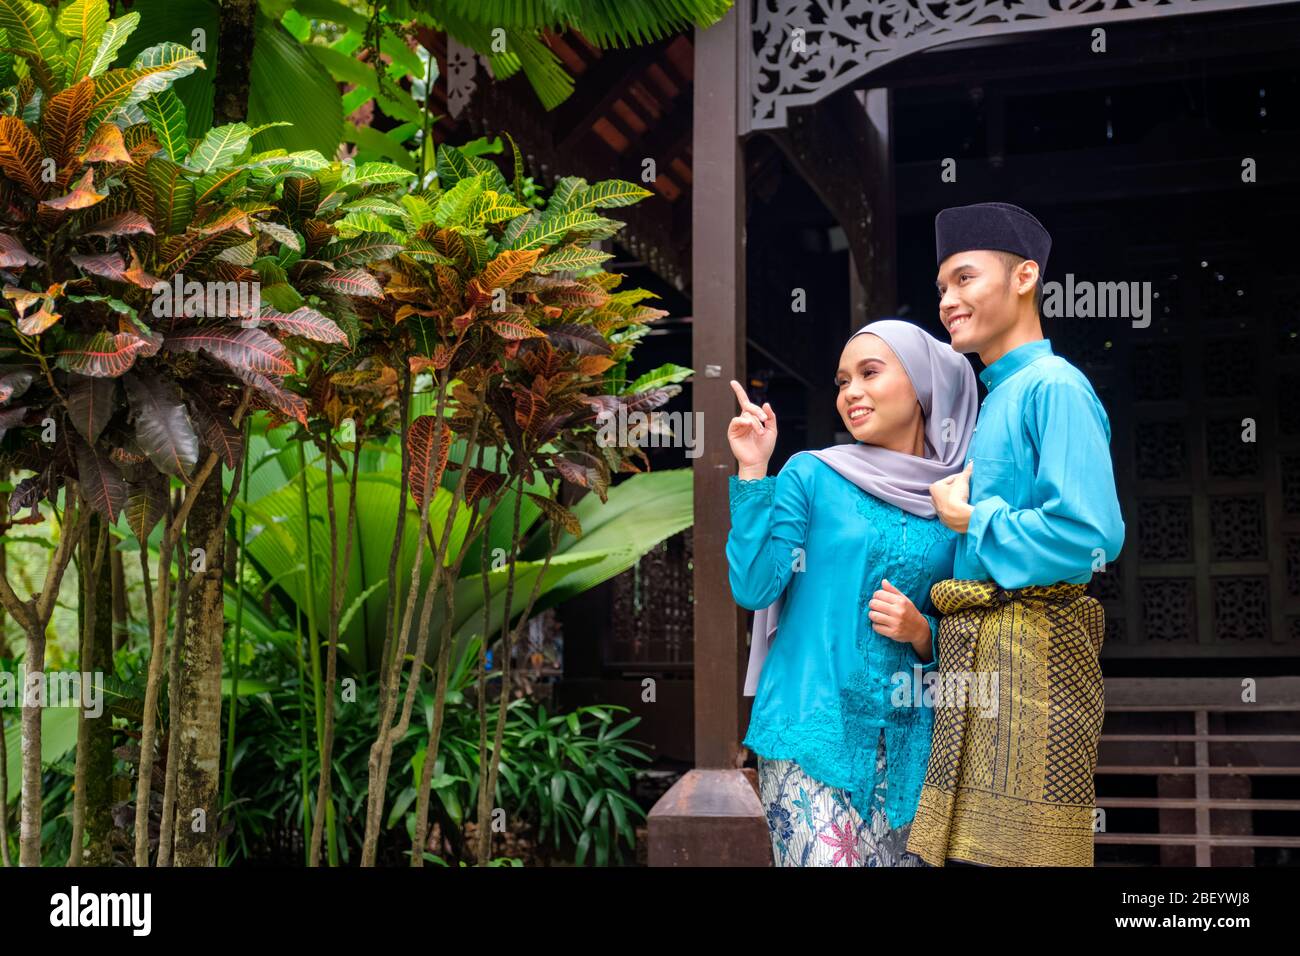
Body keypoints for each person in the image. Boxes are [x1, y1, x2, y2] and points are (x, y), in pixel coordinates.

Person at [906, 201, 1126, 867]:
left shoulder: (1053, 386)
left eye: (965, 278)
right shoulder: (997, 394)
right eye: (942, 287)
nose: (948, 300)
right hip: (979, 665)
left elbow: (1093, 533)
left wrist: (976, 520)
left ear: (1024, 276)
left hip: (1036, 667)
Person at [726, 319, 977, 866]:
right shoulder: (811, 474)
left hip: (912, 742)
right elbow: (755, 586)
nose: (851, 393)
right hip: (812, 730)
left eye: (869, 373)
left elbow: (971, 618)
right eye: (842, 382)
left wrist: (923, 633)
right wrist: (752, 470)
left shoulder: (957, 495)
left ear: (922, 386)